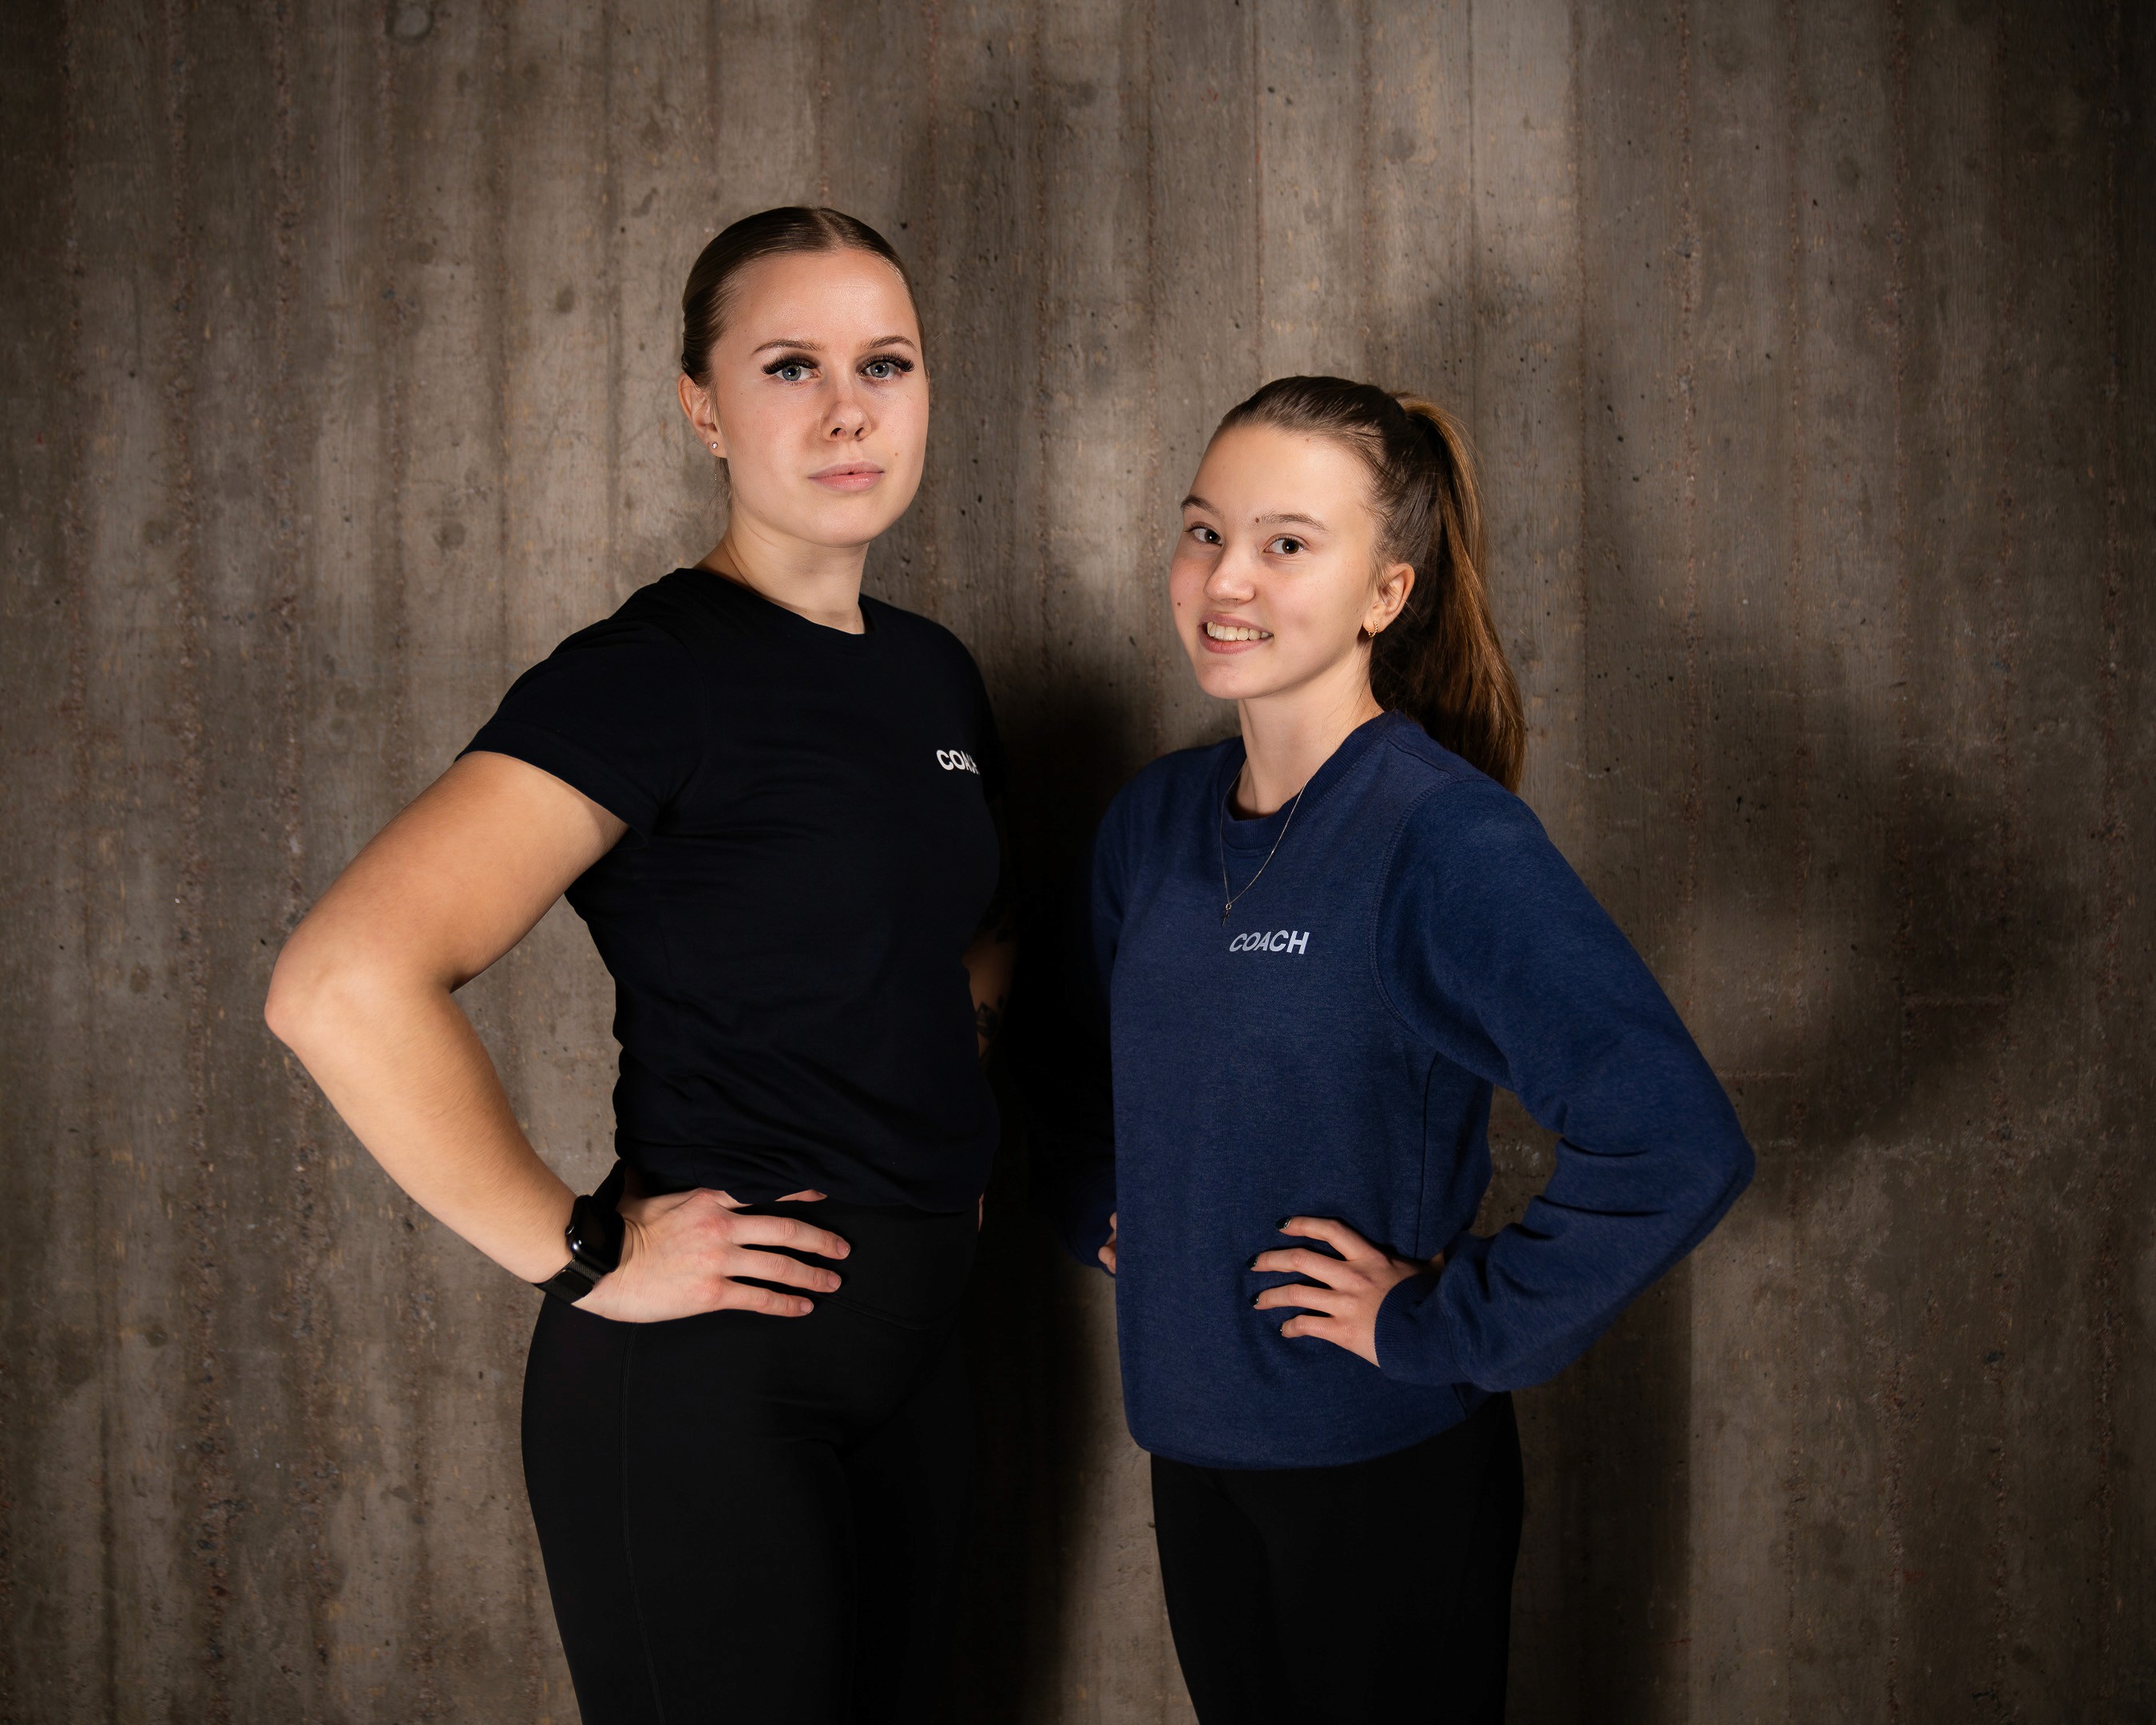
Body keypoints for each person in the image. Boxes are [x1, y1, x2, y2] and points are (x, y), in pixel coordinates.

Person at [266, 207, 1013, 1725]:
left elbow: (951, 961)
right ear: (703, 410)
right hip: (712, 1390)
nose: (850, 409)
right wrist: (582, 1252)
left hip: (921, 1356)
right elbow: (340, 983)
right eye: (791, 366)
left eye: (886, 363)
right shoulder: (653, 674)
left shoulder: (932, 671)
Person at [1028, 376, 1754, 1723]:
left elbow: (1675, 1140)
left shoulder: (1442, 840)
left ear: (1387, 593)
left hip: (1383, 1470)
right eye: (1205, 531)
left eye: (1286, 544)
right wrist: (1103, 1207)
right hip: (1193, 1452)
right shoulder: (1154, 824)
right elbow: (1055, 1067)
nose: (1225, 579)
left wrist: (1442, 1323)